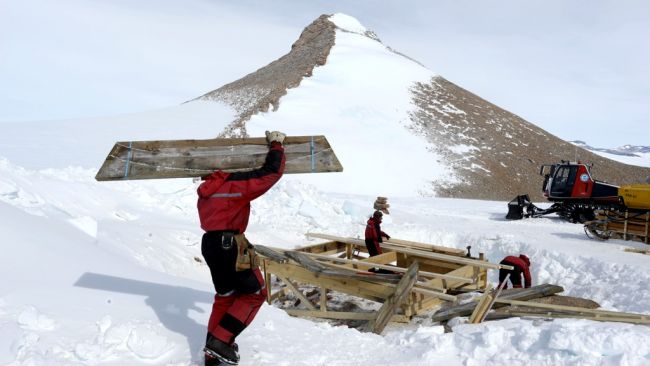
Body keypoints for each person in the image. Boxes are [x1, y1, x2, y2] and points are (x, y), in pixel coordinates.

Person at [197, 131, 286, 365]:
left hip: (210, 245)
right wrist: (277, 145)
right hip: (230, 246)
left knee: (224, 296)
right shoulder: (234, 184)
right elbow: (270, 174)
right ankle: (219, 341)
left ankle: (211, 355)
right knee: (256, 294)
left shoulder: (207, 189)